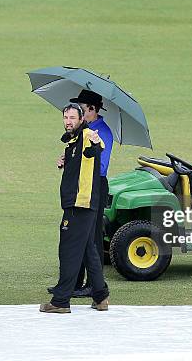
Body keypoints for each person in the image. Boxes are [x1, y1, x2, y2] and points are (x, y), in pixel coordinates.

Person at [40, 103, 110, 313]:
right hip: (83, 203)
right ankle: (101, 297)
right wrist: (65, 161)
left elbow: (97, 149)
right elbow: (81, 163)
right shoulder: (73, 141)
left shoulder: (88, 135)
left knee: (68, 250)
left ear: (81, 119)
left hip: (80, 204)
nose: (68, 121)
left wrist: (97, 143)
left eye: (72, 118)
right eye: (65, 117)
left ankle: (61, 301)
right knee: (89, 250)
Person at [68, 90, 113, 297]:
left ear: (93, 110)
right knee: (78, 235)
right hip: (82, 186)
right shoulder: (82, 130)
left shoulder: (101, 132)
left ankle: (93, 285)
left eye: (82, 109)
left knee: (93, 238)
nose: (78, 112)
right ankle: (74, 283)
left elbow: (100, 166)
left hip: (95, 186)